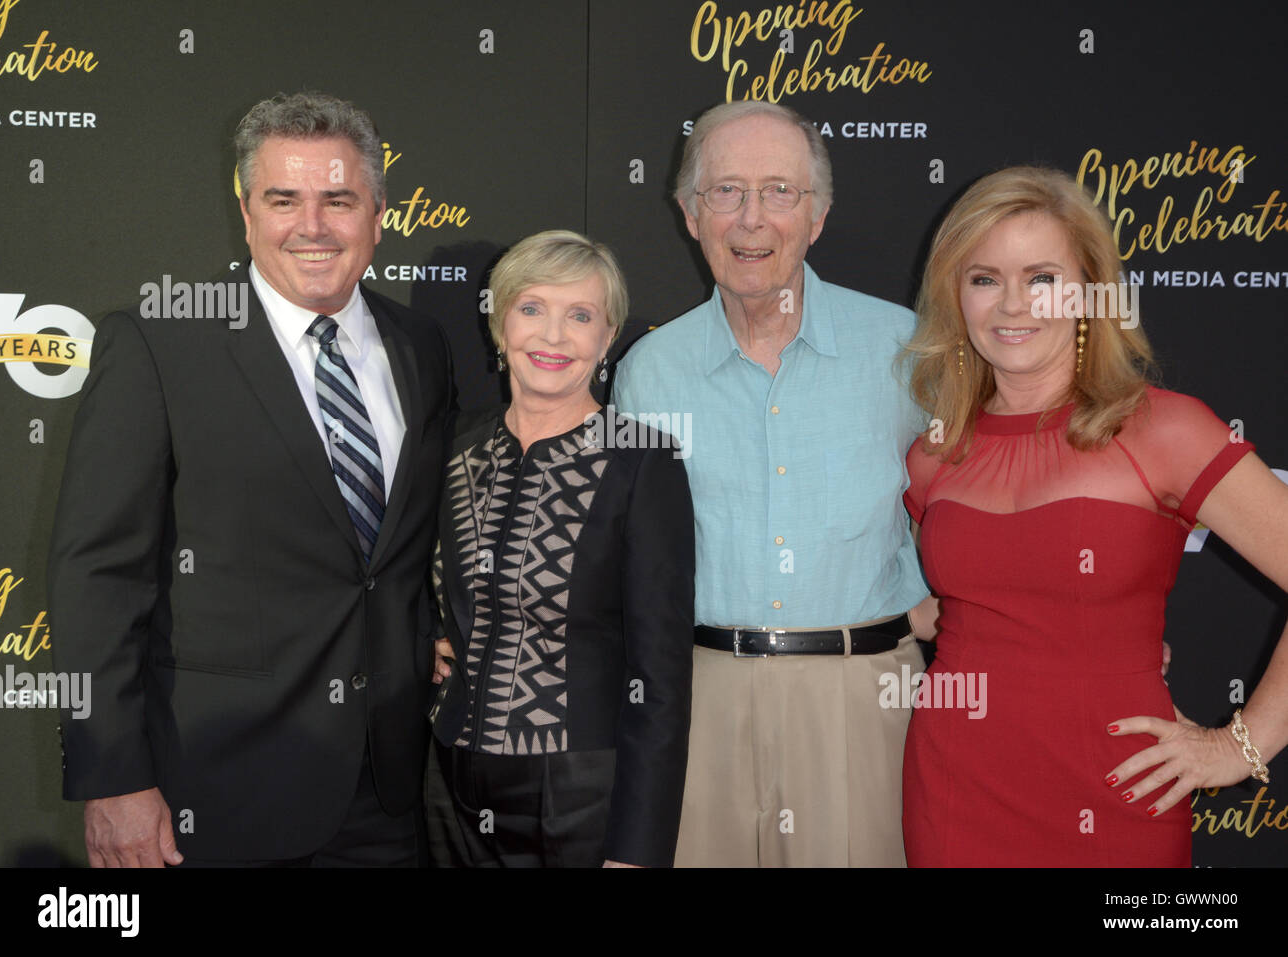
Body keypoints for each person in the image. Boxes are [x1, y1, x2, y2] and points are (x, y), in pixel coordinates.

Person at [48, 91, 454, 867]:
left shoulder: (421, 346)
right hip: (214, 794)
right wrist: (113, 778)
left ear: (378, 213)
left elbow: (410, 545)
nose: (312, 226)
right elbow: (96, 575)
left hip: (392, 788)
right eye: (283, 199)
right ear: (245, 212)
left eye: (339, 199)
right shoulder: (160, 344)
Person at [900, 165, 1288, 866]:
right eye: (984, 277)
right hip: (955, 786)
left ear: (1089, 291)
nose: (1012, 304)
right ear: (955, 295)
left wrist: (1242, 743)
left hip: (1119, 793)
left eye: (1041, 276)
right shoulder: (934, 454)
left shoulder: (1166, 431)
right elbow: (943, 608)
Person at [612, 101, 935, 867]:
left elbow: (981, 502)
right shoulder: (646, 373)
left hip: (865, 699)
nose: (751, 218)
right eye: (725, 191)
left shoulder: (908, 351)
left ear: (817, 216)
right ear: (691, 214)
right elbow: (615, 557)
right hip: (698, 701)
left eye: (779, 192)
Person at [428, 229, 694, 867]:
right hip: (446, 785)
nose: (553, 337)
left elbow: (661, 678)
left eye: (581, 316)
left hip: (579, 793)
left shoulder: (643, 463)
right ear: (499, 324)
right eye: (532, 309)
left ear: (607, 340)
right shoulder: (455, 448)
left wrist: (637, 848)